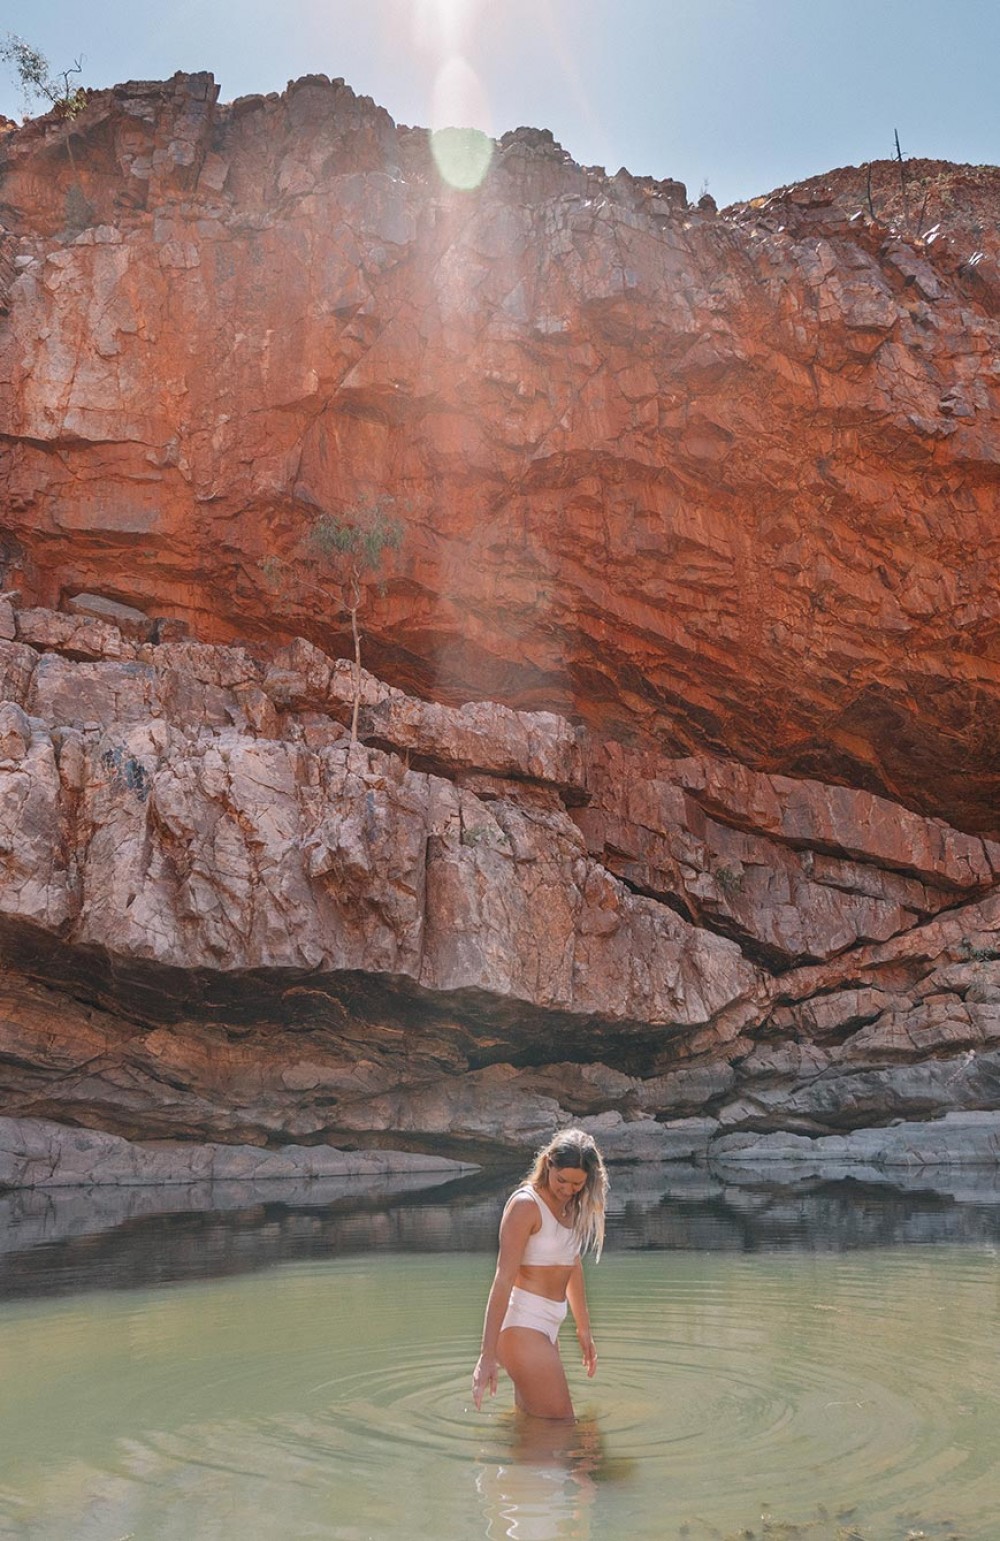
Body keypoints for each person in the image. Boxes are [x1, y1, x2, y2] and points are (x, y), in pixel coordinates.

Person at [472, 1129, 609, 1421]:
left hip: (548, 1326)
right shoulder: (526, 1206)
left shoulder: (572, 1205)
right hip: (522, 1323)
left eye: (577, 1183)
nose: (568, 1189)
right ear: (548, 1163)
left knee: (534, 1423)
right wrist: (486, 1356)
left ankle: (514, 1467)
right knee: (562, 1425)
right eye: (562, 1180)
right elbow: (503, 1278)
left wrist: (584, 1329)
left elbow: (572, 1265)